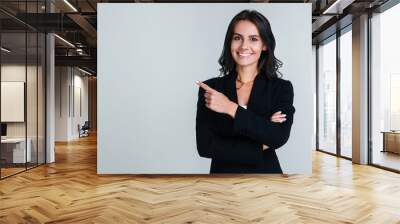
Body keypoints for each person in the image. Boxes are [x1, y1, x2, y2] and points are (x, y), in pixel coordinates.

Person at [195, 9, 295, 174]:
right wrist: (263, 136)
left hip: (266, 180)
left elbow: (278, 137)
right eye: (237, 38)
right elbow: (205, 146)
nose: (244, 46)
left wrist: (229, 107)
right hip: (222, 180)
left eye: (253, 39)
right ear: (230, 42)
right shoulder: (211, 89)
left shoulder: (281, 88)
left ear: (264, 45)